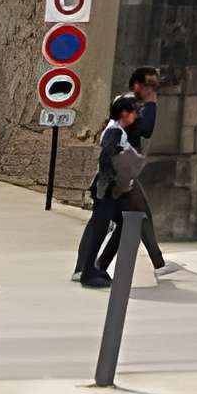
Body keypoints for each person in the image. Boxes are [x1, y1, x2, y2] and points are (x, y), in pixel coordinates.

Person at [73, 95, 145, 286]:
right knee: (100, 228)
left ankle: (96, 267)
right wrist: (110, 183)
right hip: (107, 187)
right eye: (134, 112)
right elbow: (106, 157)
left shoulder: (117, 130)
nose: (136, 116)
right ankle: (88, 272)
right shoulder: (114, 131)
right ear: (124, 113)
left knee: (120, 224)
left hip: (110, 187)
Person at [117, 68, 169, 271]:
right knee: (138, 214)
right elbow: (145, 129)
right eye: (150, 84)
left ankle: (90, 265)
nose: (153, 89)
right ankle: (159, 263)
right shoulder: (129, 103)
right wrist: (152, 103)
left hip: (123, 167)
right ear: (137, 84)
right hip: (121, 168)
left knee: (135, 214)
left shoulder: (129, 101)